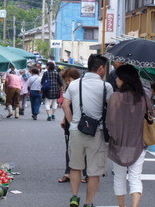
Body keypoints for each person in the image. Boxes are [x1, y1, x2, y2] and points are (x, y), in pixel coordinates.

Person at [63, 54, 113, 207]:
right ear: (100, 68)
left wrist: (72, 123)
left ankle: (74, 197)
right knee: (94, 171)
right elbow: (111, 109)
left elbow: (65, 105)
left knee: (75, 166)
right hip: (96, 132)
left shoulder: (74, 84)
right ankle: (89, 203)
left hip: (76, 131)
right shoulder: (106, 87)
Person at [107, 64, 152, 207]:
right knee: (135, 178)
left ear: (124, 79)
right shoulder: (144, 97)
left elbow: (110, 122)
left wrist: (114, 136)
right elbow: (151, 116)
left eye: (118, 77)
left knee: (119, 178)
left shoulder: (115, 97)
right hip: (138, 144)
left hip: (118, 144)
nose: (116, 80)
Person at [58, 68, 88, 184]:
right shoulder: (69, 88)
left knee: (83, 147)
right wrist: (64, 119)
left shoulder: (81, 88)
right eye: (66, 81)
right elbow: (67, 107)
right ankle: (68, 173)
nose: (67, 83)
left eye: (69, 80)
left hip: (80, 122)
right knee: (69, 147)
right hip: (70, 121)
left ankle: (86, 174)